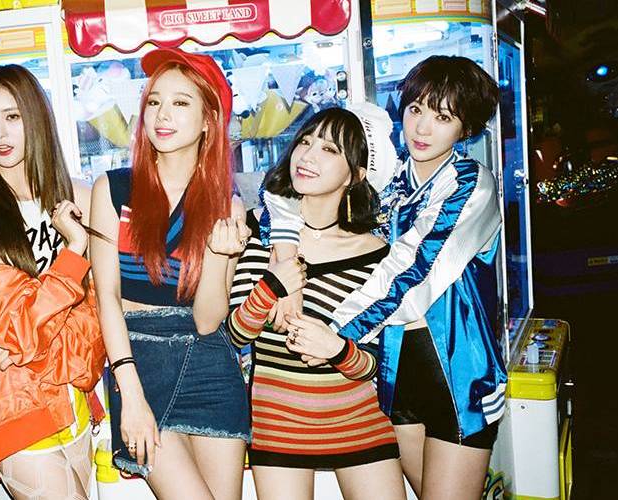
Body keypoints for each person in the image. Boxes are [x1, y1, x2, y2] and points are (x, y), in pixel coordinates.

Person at [269, 55, 505, 499]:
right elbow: (296, 197)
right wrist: (281, 259)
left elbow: (412, 273)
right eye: (415, 110)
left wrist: (337, 333)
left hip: (457, 375)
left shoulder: (471, 185)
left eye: (442, 118)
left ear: (466, 128)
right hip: (394, 373)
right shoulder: (392, 181)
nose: (422, 128)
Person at [89, 48, 251, 500]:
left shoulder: (227, 204)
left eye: (180, 103)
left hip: (210, 366)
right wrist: (130, 393)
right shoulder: (115, 189)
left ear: (208, 120)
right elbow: (106, 298)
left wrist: (217, 254)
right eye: (155, 101)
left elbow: (207, 321)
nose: (162, 114)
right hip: (138, 363)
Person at [227, 108, 406, 500]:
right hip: (278, 426)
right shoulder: (260, 229)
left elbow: (380, 362)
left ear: (355, 174)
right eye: (305, 142)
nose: (307, 156)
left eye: (329, 149)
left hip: (360, 424)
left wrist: (337, 350)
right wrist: (273, 285)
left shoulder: (378, 254)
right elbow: (235, 336)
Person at [0, 64, 106, 500]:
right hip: (12, 404)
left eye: (12, 116)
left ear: (36, 118)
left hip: (76, 398)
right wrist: (74, 251)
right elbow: (10, 326)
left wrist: (31, 340)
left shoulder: (80, 196)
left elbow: (100, 311)